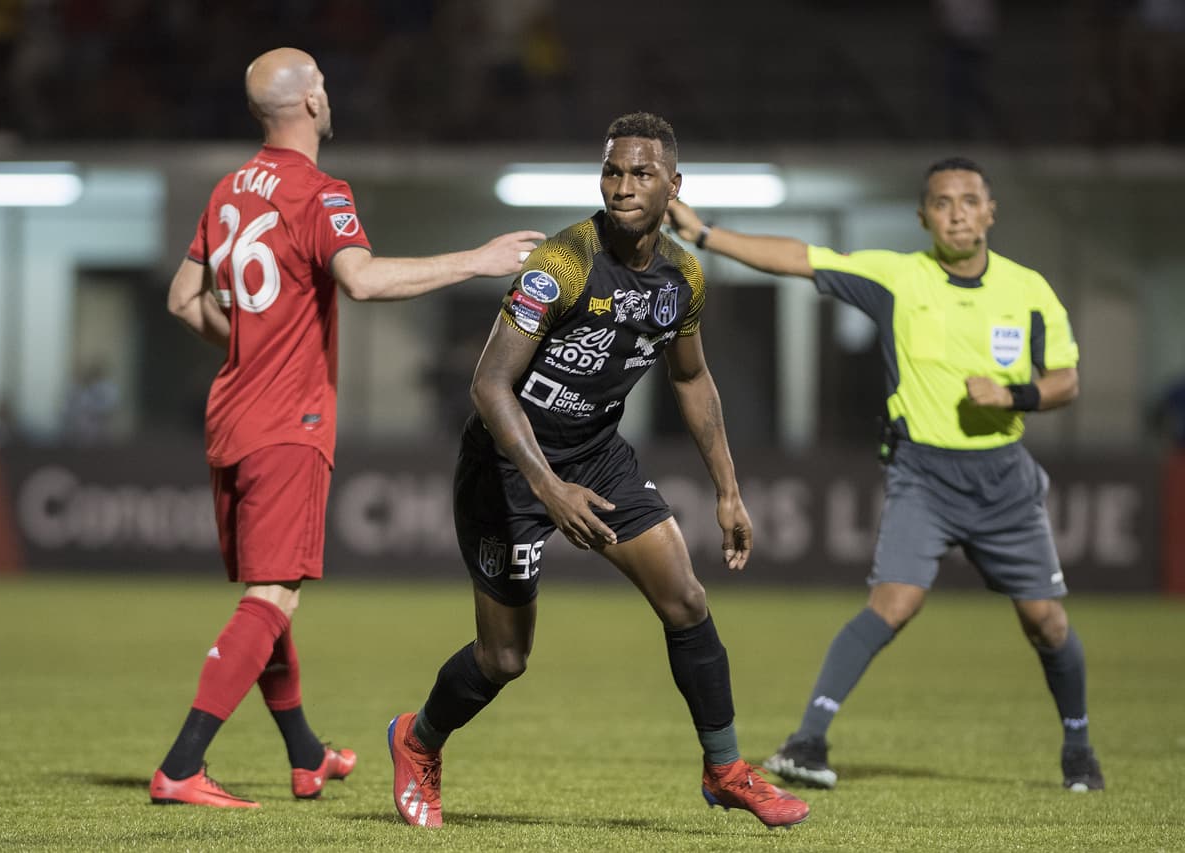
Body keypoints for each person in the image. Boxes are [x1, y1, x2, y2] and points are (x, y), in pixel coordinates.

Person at [386, 112, 810, 830]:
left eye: (641, 173)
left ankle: (726, 767)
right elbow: (489, 386)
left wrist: (729, 490)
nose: (622, 187)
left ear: (674, 185)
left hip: (597, 456)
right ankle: (417, 739)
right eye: (612, 171)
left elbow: (693, 378)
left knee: (686, 599)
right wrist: (547, 489)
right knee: (505, 657)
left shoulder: (681, 277)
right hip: (508, 468)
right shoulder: (560, 264)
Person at [152, 47, 543, 809]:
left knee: (275, 595)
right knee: (273, 595)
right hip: (287, 421)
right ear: (307, 104)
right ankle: (183, 765)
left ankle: (307, 755)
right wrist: (479, 258)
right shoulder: (321, 193)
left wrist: (244, 340)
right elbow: (361, 279)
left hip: (231, 413)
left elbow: (179, 298)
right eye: (324, 87)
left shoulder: (230, 189)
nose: (331, 97)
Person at [665, 157, 1105, 793]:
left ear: (990, 212)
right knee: (893, 603)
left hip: (1004, 480)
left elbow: (1066, 380)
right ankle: (807, 741)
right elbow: (799, 258)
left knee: (1046, 622)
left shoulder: (1030, 290)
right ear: (923, 216)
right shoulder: (896, 276)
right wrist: (705, 236)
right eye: (943, 202)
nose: (957, 212)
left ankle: (1078, 750)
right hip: (922, 473)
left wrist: (1015, 397)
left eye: (969, 200)